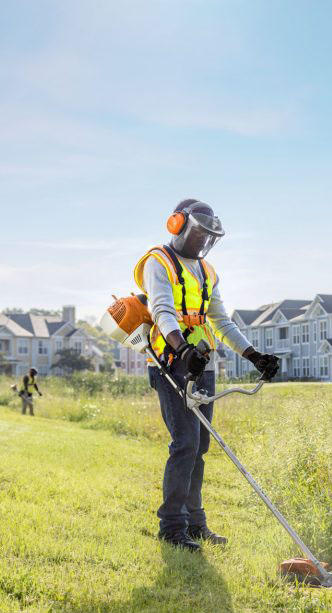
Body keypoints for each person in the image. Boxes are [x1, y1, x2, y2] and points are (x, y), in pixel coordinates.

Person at [134, 199, 281, 551]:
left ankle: (195, 523)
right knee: (184, 443)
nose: (203, 241)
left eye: (209, 236)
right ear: (177, 225)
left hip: (204, 363)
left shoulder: (207, 271)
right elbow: (162, 310)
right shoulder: (159, 261)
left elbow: (221, 319)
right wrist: (182, 350)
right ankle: (172, 528)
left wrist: (253, 355)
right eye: (199, 233)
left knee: (199, 445)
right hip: (171, 362)